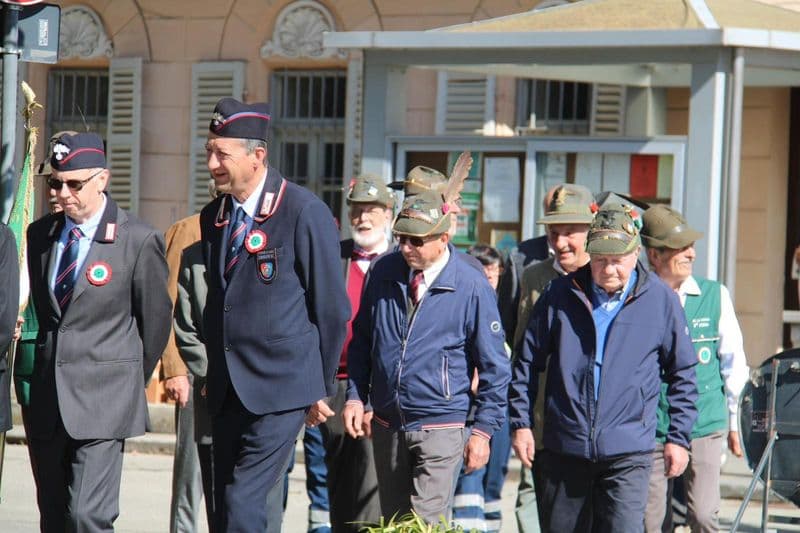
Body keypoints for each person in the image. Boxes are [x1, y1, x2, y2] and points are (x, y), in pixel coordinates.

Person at [199, 97, 349, 532]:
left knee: (243, 496)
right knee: (224, 505)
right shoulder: (215, 217)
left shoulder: (303, 211)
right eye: (209, 152)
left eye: (222, 154)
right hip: (228, 387)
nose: (212, 164)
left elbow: (331, 308)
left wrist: (320, 387)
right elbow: (219, 302)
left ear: (257, 155)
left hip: (282, 386)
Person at [510, 203, 698, 532]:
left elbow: (683, 374)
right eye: (600, 260)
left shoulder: (660, 300)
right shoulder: (560, 294)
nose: (609, 269)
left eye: (617, 260)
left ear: (636, 253)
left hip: (628, 453)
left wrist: (678, 438)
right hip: (565, 448)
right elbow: (526, 363)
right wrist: (521, 424)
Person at [25, 132, 171, 532]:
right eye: (56, 183)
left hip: (105, 400)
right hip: (49, 399)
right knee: (54, 517)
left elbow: (155, 321)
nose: (62, 194)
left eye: (75, 184)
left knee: (87, 517)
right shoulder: (41, 235)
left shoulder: (137, 239)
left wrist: (125, 378)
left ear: (102, 179)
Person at [343, 190, 511, 524]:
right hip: (388, 423)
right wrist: (356, 396)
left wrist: (482, 432)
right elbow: (363, 341)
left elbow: (495, 367)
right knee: (394, 523)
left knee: (424, 524)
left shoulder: (470, 284)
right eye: (401, 238)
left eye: (416, 241)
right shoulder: (383, 270)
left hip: (441, 425)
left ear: (443, 238)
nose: (406, 248)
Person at [641, 205, 749, 533]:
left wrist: (736, 423)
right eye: (681, 247)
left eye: (692, 246)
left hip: (705, 423)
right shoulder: (639, 297)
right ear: (654, 255)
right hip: (654, 424)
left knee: (703, 515)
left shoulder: (714, 295)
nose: (691, 253)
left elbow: (734, 363)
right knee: (651, 522)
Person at [305, 174, 392, 531]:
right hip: (334, 386)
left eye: (371, 210)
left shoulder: (399, 261)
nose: (362, 217)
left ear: (388, 214)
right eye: (356, 209)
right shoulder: (333, 257)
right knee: (338, 482)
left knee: (371, 483)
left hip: (379, 387)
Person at [510, 183, 596, 531]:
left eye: (570, 232)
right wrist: (522, 421)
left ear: (592, 230)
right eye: (553, 233)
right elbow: (522, 353)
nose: (560, 243)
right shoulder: (534, 277)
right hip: (547, 425)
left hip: (599, 430)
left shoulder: (609, 276)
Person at [452, 244, 512, 533]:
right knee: (470, 475)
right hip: (471, 407)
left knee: (494, 476)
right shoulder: (467, 299)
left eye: (493, 270)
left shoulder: (505, 305)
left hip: (499, 403)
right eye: (482, 269)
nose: (488, 275)